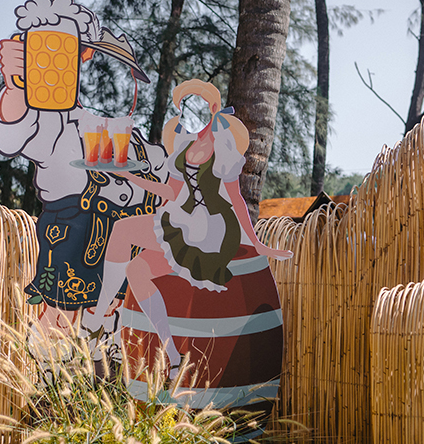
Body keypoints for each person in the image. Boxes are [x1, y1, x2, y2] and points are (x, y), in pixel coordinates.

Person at [81, 79, 291, 374]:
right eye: (184, 106)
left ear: (214, 109)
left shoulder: (225, 147)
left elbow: (237, 199)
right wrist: (131, 178)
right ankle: (172, 355)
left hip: (210, 229)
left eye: (198, 105)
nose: (189, 114)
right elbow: (171, 192)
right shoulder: (185, 147)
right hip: (182, 220)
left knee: (122, 230)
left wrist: (256, 243)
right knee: (136, 271)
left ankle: (97, 316)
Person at [0, 1, 167, 340]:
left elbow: (164, 171)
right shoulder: (51, 121)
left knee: (113, 336)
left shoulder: (126, 136)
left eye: (70, 50)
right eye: (44, 49)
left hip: (125, 271)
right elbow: (12, 133)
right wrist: (14, 89)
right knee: (60, 327)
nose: (56, 59)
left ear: (84, 54)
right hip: (72, 246)